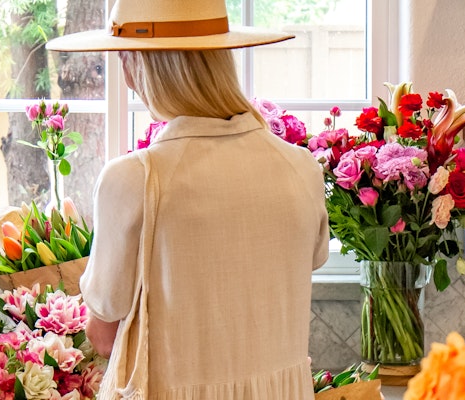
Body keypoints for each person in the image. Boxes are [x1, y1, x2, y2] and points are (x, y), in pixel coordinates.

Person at [46, 1, 330, 399]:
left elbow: (104, 336)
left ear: (138, 65)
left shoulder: (135, 178)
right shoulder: (301, 168)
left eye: (123, 57)